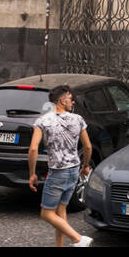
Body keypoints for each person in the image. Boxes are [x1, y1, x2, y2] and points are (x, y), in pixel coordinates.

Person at [28, 84, 93, 247]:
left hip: (57, 173)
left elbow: (33, 148)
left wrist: (32, 173)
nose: (73, 102)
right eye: (71, 99)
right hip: (73, 171)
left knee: (46, 213)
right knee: (60, 211)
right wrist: (85, 166)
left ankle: (78, 239)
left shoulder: (43, 121)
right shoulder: (78, 119)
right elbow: (87, 147)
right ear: (62, 101)